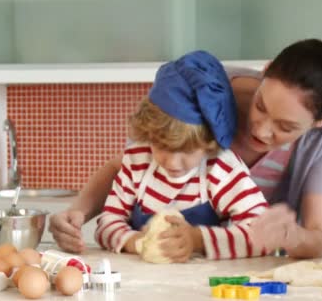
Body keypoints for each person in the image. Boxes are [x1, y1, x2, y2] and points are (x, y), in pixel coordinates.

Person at [49, 39, 322, 259]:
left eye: (285, 127)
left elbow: (319, 238)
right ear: (265, 71)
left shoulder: (224, 171)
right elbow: (126, 168)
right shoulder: (198, 91)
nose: (260, 129)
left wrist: (286, 236)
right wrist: (79, 213)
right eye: (260, 106)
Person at [94, 51, 268, 262]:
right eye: (161, 146)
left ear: (209, 143)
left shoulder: (221, 169)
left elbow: (262, 234)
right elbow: (107, 222)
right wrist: (139, 242)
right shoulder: (137, 159)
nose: (172, 162)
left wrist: (198, 240)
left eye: (187, 150)